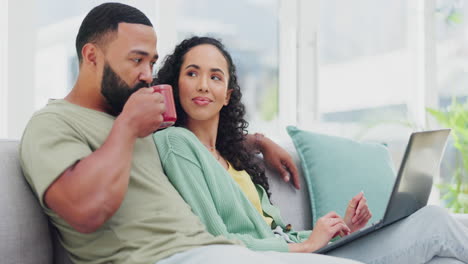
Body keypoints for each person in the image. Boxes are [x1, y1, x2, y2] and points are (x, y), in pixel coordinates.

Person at [19, 3, 364, 264]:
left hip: (211, 251)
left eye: (151, 63)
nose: (146, 75)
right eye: (136, 60)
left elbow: (192, 146)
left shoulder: (142, 128)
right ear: (91, 56)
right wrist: (127, 128)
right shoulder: (53, 124)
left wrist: (257, 142)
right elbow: (84, 211)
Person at [152, 36, 468, 263]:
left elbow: (275, 235)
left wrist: (339, 232)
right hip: (286, 257)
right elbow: (216, 241)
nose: (204, 84)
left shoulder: (231, 157)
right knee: (435, 223)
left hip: (304, 250)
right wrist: (308, 246)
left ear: (227, 95)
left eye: (215, 77)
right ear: (174, 85)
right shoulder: (177, 143)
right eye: (192, 73)